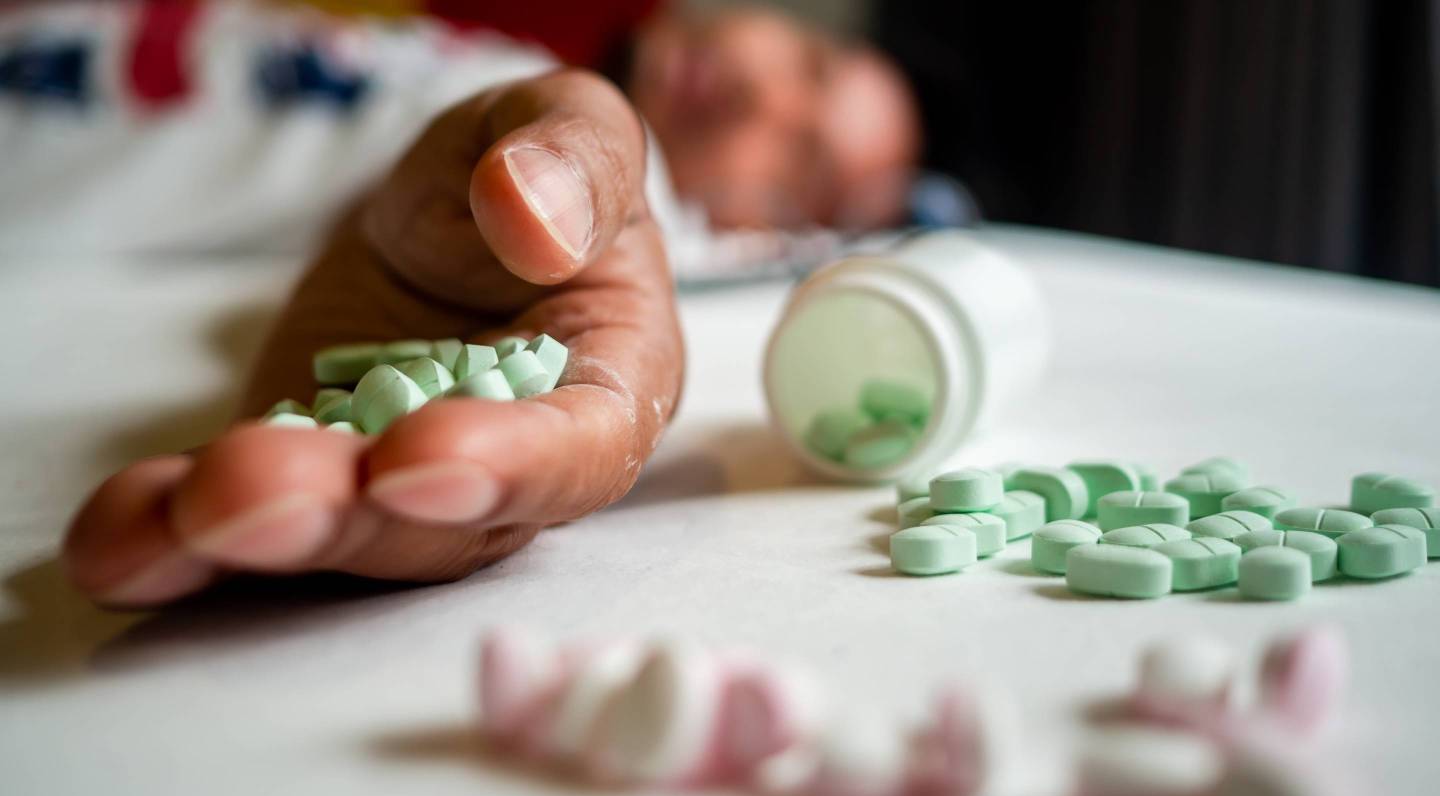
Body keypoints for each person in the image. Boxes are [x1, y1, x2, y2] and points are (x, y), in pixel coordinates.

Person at [25, 1, 919, 606]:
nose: (761, 94)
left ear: (772, 237)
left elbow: (628, 225)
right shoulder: (528, 47)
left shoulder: (653, 207)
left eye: (802, 158)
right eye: (807, 60)